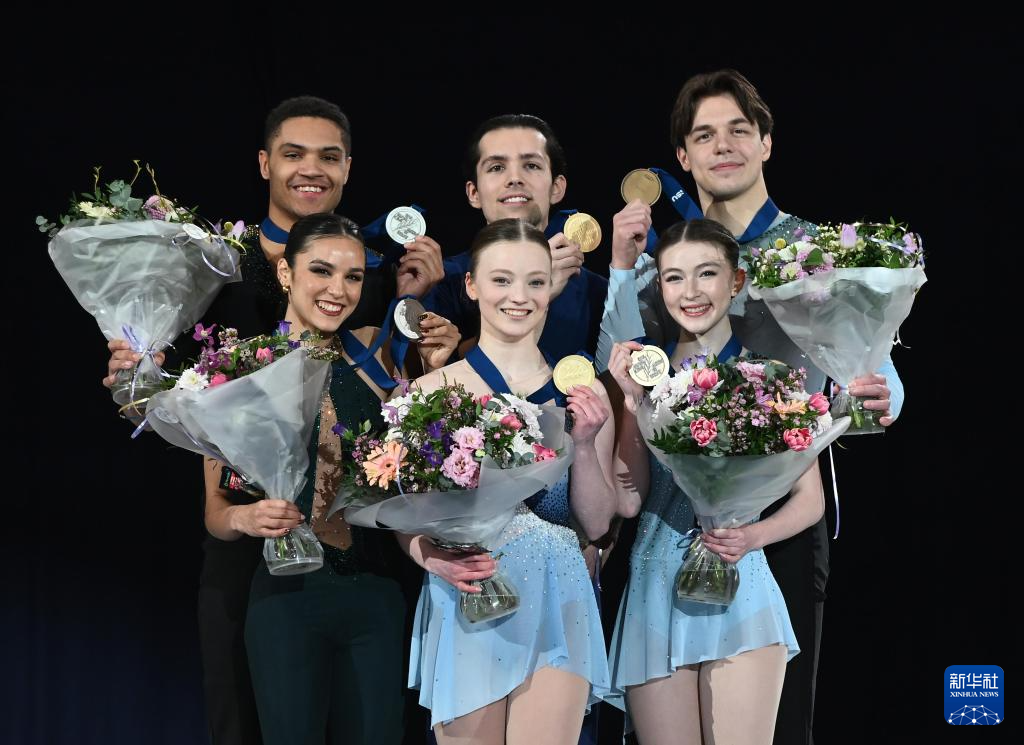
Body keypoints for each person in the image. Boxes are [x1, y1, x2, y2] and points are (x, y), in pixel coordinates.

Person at [101, 95, 444, 745]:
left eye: (328, 156)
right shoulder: (223, 313)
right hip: (261, 577)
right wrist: (134, 374)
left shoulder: (373, 317)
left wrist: (427, 340)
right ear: (265, 163)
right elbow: (200, 472)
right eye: (293, 154)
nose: (336, 288)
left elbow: (407, 433)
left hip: (367, 575)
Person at [597, 70, 904, 743]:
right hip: (673, 516)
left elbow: (874, 364)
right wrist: (621, 271)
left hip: (782, 512)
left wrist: (877, 397)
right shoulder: (670, 259)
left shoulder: (815, 252)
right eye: (704, 135)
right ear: (683, 156)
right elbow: (614, 369)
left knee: (779, 725)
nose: (723, 146)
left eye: (739, 130)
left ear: (766, 142)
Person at [203, 212, 459, 745]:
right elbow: (217, 514)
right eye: (321, 271)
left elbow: (421, 469)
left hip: (376, 594)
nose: (337, 290)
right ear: (286, 273)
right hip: (285, 598)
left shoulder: (376, 353)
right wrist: (247, 517)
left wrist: (436, 365)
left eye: (353, 276)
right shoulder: (241, 370)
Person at [606, 218, 824, 745]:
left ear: (736, 281)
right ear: (660, 287)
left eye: (706, 273)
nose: (691, 291)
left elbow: (810, 499)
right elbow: (628, 500)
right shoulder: (645, 378)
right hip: (655, 585)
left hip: (739, 578)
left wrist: (751, 536)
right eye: (674, 277)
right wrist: (632, 406)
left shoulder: (769, 378)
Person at [402, 218, 616, 744]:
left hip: (558, 594)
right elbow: (403, 516)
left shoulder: (583, 392)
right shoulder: (430, 391)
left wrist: (585, 443)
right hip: (469, 593)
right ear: (472, 286)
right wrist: (429, 557)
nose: (518, 296)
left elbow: (595, 524)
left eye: (535, 281)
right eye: (501, 280)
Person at [424, 114, 608, 361]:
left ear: (556, 187)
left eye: (531, 165)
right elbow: (439, 376)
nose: (514, 178)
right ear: (474, 192)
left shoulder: (599, 293)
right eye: (497, 167)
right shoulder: (444, 281)